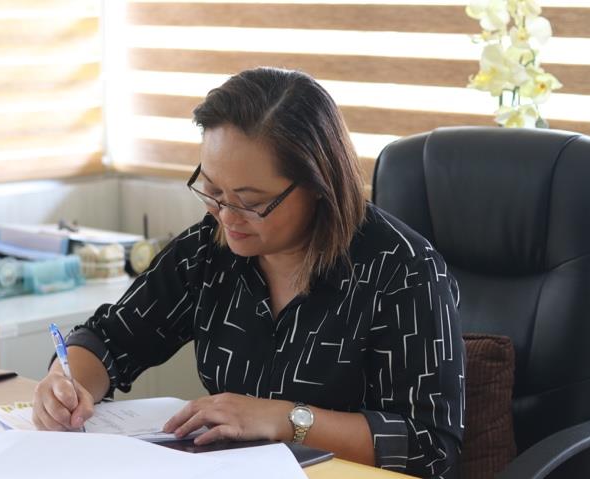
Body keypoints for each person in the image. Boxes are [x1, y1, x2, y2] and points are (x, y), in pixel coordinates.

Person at [32, 67, 465, 478]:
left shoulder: (403, 269)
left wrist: (286, 419)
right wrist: (65, 383)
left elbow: (429, 447)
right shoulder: (208, 250)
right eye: (213, 190)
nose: (225, 215)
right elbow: (111, 337)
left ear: (317, 184)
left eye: (250, 200)